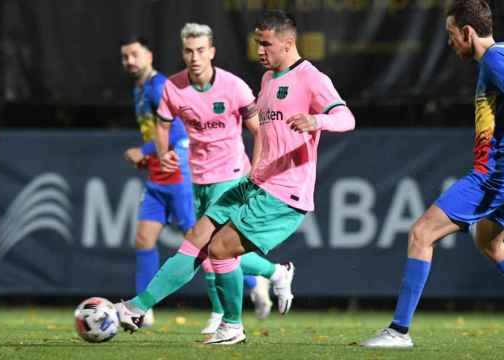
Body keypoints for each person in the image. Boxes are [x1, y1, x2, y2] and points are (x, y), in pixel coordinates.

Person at [115, 11, 355, 344]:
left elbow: (346, 117)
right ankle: (137, 307)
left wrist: (318, 122)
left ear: (288, 43)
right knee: (198, 236)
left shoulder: (311, 78)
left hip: (285, 192)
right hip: (256, 182)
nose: (260, 51)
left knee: (221, 249)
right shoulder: (269, 79)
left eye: (266, 44)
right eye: (258, 43)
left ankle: (232, 325)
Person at [360, 0, 504, 349]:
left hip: (496, 171)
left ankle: (399, 331)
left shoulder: (494, 60)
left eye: (451, 35)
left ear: (468, 32)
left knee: (421, 233)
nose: (450, 43)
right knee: (491, 243)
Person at [120, 36, 196, 328]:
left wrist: (145, 150)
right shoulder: (138, 90)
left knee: (201, 242)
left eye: (135, 55)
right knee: (143, 239)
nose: (130, 61)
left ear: (149, 56)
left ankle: (263, 276)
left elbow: (177, 135)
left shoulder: (159, 86)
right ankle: (141, 307)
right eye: (125, 57)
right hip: (157, 175)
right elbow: (156, 133)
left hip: (176, 172)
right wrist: (147, 158)